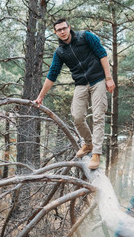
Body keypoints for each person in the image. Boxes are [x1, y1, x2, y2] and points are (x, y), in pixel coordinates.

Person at [35, 18, 115, 169]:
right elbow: (52, 75)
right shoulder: (60, 52)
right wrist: (40, 96)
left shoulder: (85, 36)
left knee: (98, 116)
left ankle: (97, 154)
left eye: (64, 28)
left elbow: (102, 54)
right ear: (55, 32)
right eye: (59, 30)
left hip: (98, 80)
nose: (62, 32)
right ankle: (88, 144)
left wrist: (109, 78)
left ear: (69, 27)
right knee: (77, 117)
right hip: (81, 84)